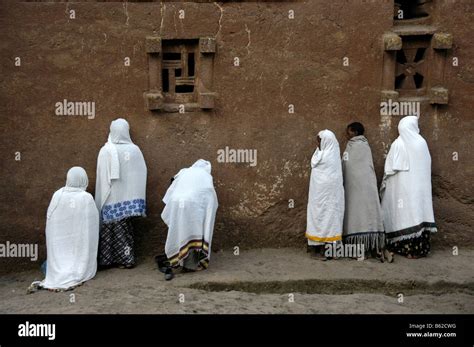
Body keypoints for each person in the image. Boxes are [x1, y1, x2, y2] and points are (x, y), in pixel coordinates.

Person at [27, 167, 99, 293]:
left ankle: (58, 274)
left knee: (59, 261)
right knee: (76, 262)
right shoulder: (85, 198)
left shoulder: (57, 195)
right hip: (77, 250)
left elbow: (50, 222)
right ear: (84, 179)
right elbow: (91, 228)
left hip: (58, 251)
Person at [380, 116, 437, 258]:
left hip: (403, 191)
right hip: (420, 190)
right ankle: (418, 251)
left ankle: (405, 248)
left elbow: (389, 170)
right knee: (418, 211)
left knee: (404, 214)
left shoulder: (398, 144)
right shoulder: (421, 143)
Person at [95, 118, 147, 269]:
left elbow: (102, 177)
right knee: (124, 229)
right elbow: (140, 173)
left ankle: (108, 260)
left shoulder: (106, 151)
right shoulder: (135, 150)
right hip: (129, 201)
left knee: (110, 229)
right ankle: (126, 258)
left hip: (110, 198)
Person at [342, 122, 391, 261]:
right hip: (366, 187)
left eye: (349, 132)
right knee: (366, 214)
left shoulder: (351, 147)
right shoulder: (366, 146)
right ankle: (369, 249)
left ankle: (360, 249)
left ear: (355, 132)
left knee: (356, 214)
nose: (347, 135)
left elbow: (345, 165)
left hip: (355, 188)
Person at [161, 159, 218, 277]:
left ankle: (179, 258)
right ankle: (190, 265)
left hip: (178, 202)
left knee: (181, 230)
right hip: (193, 204)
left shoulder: (184, 172)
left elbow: (171, 186)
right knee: (194, 231)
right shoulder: (206, 176)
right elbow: (210, 197)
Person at [306, 130, 344, 260]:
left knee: (331, 217)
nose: (317, 143)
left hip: (332, 196)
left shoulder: (331, 156)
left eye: (319, 140)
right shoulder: (320, 154)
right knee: (318, 216)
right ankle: (316, 249)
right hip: (318, 196)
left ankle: (328, 250)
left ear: (326, 141)